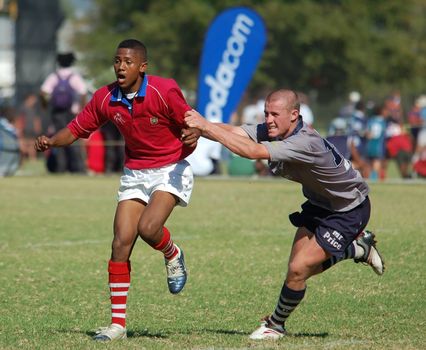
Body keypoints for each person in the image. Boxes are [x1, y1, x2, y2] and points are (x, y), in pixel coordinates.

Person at [184, 89, 385, 341]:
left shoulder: (304, 141)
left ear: (294, 115)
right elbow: (235, 131)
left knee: (299, 268)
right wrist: (198, 126)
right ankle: (357, 250)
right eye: (266, 113)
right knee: (296, 272)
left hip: (349, 208)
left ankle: (275, 325)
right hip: (319, 203)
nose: (268, 119)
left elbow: (251, 152)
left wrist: (203, 126)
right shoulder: (275, 129)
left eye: (274, 114)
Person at [35, 39, 200, 342]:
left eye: (128, 62)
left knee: (150, 229)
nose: (121, 67)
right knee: (120, 243)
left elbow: (191, 121)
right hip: (135, 173)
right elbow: (75, 128)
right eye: (117, 61)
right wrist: (50, 141)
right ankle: (118, 325)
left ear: (142, 66)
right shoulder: (105, 97)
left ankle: (173, 253)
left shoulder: (163, 90)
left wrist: (193, 134)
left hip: (170, 168)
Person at [40, 52, 88, 173]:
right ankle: (77, 168)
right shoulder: (74, 77)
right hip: (70, 113)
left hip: (57, 113)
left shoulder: (54, 77)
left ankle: (60, 168)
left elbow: (43, 92)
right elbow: (83, 92)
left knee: (57, 139)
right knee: (73, 138)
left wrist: (45, 105)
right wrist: (82, 110)